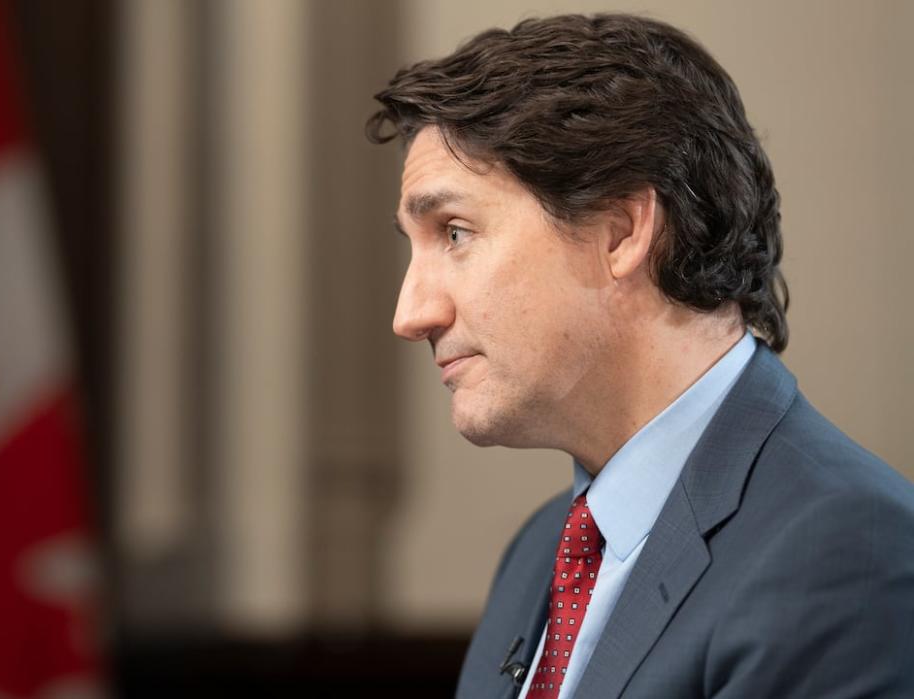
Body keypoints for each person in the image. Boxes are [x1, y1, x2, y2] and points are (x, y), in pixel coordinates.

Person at [366, 13, 914, 699]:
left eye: (455, 232)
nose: (410, 313)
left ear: (622, 230)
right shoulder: (538, 554)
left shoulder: (848, 554)